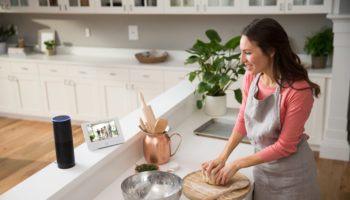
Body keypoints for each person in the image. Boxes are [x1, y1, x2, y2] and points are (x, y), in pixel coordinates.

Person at [201, 18, 321, 200]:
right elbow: (243, 118)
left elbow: (285, 146)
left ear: (271, 51)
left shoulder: (299, 90)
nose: (242, 60)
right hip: (262, 168)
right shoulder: (252, 76)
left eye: (247, 53)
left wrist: (237, 164)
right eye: (241, 53)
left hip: (294, 176)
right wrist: (222, 157)